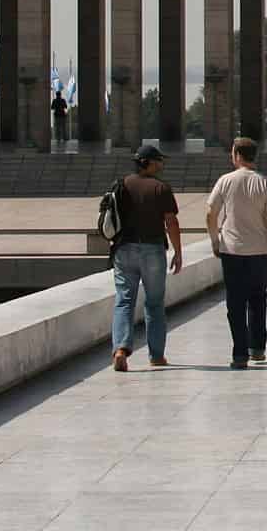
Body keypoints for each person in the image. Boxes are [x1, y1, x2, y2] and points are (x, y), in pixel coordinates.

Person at [205, 137, 267, 369]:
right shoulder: (266, 184)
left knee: (235, 302)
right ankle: (257, 348)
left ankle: (239, 354)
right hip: (258, 251)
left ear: (237, 154)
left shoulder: (225, 181)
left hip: (232, 250)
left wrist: (215, 240)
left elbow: (210, 213)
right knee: (258, 300)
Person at [111, 144, 183, 372]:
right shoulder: (161, 188)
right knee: (154, 303)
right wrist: (178, 251)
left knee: (124, 300)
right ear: (149, 162)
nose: (162, 164)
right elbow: (171, 221)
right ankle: (156, 355)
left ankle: (121, 349)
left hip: (124, 250)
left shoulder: (122, 184)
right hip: (152, 249)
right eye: (159, 160)